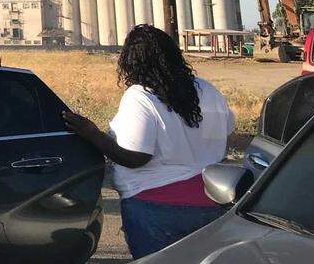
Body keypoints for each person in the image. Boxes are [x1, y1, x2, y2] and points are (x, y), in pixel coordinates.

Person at [63, 24, 234, 259]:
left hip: (156, 208)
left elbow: (135, 158)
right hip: (213, 201)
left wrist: (92, 133)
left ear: (131, 62)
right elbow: (225, 131)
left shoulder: (141, 97)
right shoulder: (206, 89)